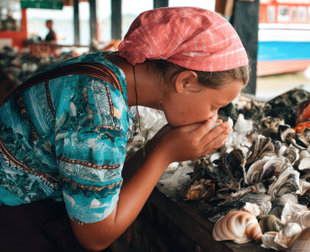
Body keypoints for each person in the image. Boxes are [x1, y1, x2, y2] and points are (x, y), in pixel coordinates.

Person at [0, 7, 249, 252]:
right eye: (215, 106)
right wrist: (164, 153)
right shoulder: (99, 109)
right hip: (13, 221)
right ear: (185, 81)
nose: (213, 116)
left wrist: (159, 142)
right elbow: (96, 237)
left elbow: (106, 186)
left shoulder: (108, 72)